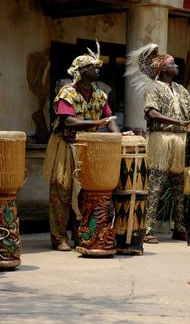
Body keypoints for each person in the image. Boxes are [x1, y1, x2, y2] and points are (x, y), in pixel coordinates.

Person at [125, 43, 190, 244]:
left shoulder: (181, 89)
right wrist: (178, 122)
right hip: (160, 141)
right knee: (155, 185)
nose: (178, 67)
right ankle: (146, 230)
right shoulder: (153, 88)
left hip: (180, 141)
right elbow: (151, 113)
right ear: (163, 68)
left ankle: (180, 227)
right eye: (173, 64)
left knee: (180, 187)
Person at [42, 42, 121, 251]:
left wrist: (118, 136)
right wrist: (97, 124)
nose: (98, 70)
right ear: (84, 72)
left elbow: (110, 118)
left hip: (88, 149)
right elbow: (68, 121)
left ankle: (81, 234)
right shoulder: (67, 93)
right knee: (62, 192)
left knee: (84, 193)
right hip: (66, 146)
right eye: (94, 68)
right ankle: (58, 237)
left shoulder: (99, 94)